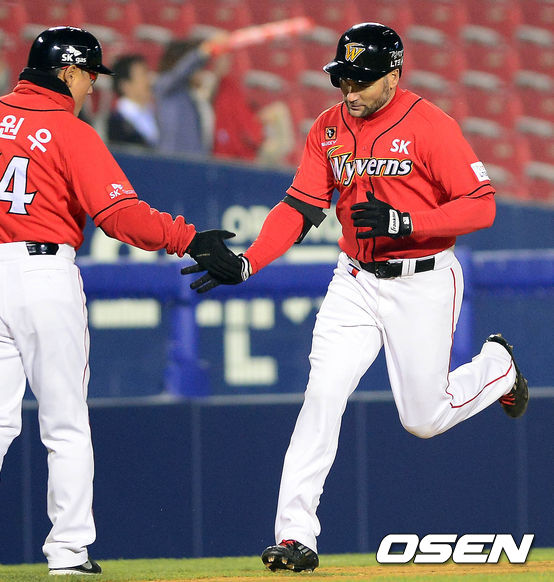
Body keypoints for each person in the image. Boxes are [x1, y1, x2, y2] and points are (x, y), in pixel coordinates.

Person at [181, 22, 529, 572]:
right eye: (343, 77)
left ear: (394, 75)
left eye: (361, 78)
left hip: (422, 278)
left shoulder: (431, 125)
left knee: (423, 418)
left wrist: (406, 222)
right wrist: (249, 261)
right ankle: (295, 536)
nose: (350, 89)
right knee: (322, 396)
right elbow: (299, 206)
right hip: (355, 280)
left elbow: (481, 205)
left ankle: (498, 367)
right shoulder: (328, 126)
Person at [0, 26, 234, 576]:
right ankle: (69, 551)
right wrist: (189, 238)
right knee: (65, 423)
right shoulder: (68, 130)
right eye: (88, 77)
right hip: (42, 273)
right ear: (68, 71)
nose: (92, 88)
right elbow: (120, 216)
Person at [153, 35, 226, 156]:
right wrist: (202, 52)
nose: (200, 72)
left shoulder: (193, 97)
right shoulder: (164, 86)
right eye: (197, 68)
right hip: (171, 160)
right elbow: (179, 73)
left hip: (193, 161)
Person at [107, 54, 159, 147]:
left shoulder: (155, 113)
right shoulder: (117, 123)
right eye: (143, 74)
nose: (149, 80)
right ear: (125, 85)